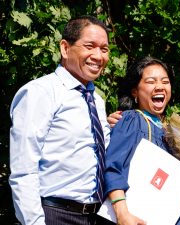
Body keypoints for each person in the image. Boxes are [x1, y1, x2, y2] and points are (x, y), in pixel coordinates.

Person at [9, 15, 112, 225]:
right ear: (65, 48)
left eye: (104, 49)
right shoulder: (40, 92)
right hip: (55, 214)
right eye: (89, 46)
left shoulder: (97, 101)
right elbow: (24, 169)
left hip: (95, 216)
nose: (98, 55)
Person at [103, 56, 180, 225]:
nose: (159, 87)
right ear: (135, 91)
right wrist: (122, 213)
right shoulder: (132, 120)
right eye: (151, 81)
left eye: (165, 82)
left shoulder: (173, 130)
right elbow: (112, 167)